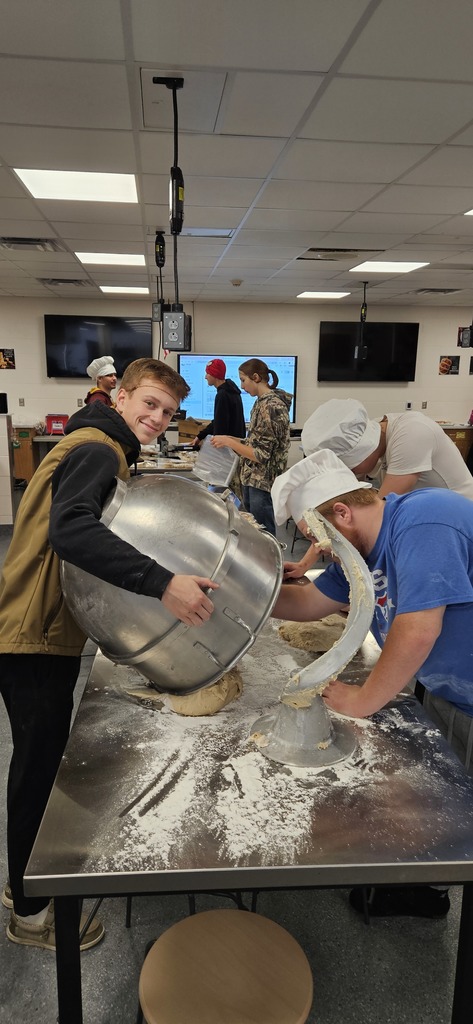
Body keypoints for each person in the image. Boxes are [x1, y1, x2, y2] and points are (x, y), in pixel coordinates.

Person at [0, 357, 218, 951]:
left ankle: (22, 884)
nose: (157, 418)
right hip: (33, 632)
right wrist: (162, 581)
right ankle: (31, 912)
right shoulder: (99, 448)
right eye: (148, 404)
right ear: (119, 397)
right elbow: (70, 531)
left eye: (168, 413)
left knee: (39, 759)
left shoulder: (92, 438)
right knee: (38, 767)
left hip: (41, 627)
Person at [271, 448, 473, 916]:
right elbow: (307, 605)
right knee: (444, 795)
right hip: (452, 687)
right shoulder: (356, 553)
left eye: (317, 537)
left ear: (342, 512)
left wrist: (363, 700)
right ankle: (423, 891)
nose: (317, 550)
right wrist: (244, 595)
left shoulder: (426, 519)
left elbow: (419, 628)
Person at [285, 398, 473, 578]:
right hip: (426, 520)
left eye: (350, 467)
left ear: (363, 451)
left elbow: (378, 523)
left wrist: (361, 591)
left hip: (458, 528)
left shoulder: (412, 434)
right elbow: (329, 518)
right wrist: (304, 564)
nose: (350, 472)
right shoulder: (372, 434)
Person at [211, 357, 291, 535]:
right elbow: (254, 442)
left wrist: (230, 442)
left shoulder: (272, 406)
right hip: (251, 478)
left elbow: (261, 455)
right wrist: (228, 438)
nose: (241, 386)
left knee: (263, 535)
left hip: (262, 481)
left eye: (243, 380)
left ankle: (269, 564)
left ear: (255, 377)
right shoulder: (260, 402)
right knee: (253, 532)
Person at [191, 358, 246, 449]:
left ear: (214, 374)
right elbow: (218, 420)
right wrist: (200, 436)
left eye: (208, 373)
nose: (205, 377)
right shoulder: (232, 392)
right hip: (235, 446)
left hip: (227, 449)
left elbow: (220, 428)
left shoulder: (222, 395)